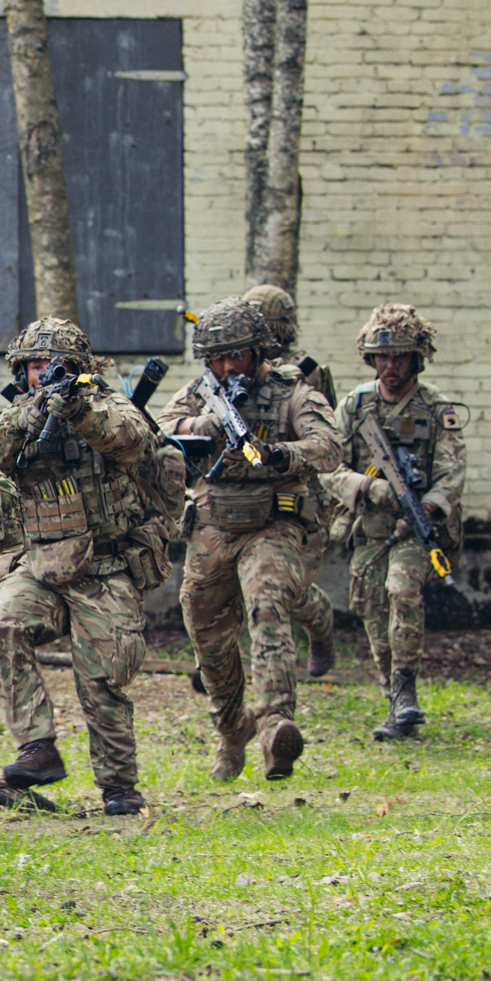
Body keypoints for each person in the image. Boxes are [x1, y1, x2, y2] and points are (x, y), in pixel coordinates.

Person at [0, 319, 172, 816]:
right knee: (4, 623)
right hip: (37, 563)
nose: (44, 375)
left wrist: (80, 410)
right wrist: (29, 416)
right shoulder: (17, 415)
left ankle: (118, 786)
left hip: (104, 567)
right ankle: (36, 747)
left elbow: (134, 441)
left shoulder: (106, 405)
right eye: (35, 367)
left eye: (55, 367)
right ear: (22, 373)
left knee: (103, 677)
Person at [160, 297, 343, 782]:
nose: (226, 366)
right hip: (213, 528)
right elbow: (154, 432)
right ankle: (230, 728)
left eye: (236, 356)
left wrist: (281, 454)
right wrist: (197, 427)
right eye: (217, 358)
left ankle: (276, 725)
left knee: (266, 605)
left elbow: (329, 446)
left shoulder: (292, 392)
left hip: (273, 524)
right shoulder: (202, 393)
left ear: (258, 351)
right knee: (206, 631)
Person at [323, 303, 467, 741]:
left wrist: (428, 507)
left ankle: (405, 689)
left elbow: (452, 469)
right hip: (369, 527)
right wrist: (368, 490)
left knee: (401, 590)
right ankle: (394, 700)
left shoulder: (436, 408)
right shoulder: (356, 406)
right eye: (382, 358)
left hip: (417, 529)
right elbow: (327, 465)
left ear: (416, 358)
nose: (389, 366)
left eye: (399, 357)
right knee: (372, 611)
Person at [242, 281, 338, 680]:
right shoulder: (238, 364)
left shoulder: (307, 374)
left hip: (295, 492)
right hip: (244, 487)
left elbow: (324, 438)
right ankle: (220, 660)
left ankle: (320, 619)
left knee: (286, 589)